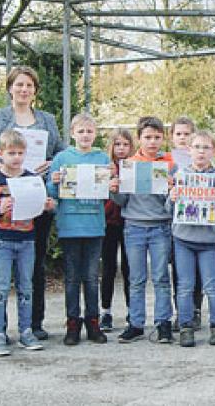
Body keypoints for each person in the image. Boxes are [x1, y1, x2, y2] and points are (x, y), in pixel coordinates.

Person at [0, 66, 65, 340]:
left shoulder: (47, 120)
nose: (24, 89)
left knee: (35, 265)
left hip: (36, 199)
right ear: (10, 88)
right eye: (19, 84)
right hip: (5, 202)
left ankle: (33, 324)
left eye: (29, 85)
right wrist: (7, 169)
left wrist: (52, 164)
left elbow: (60, 153)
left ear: (35, 90)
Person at [0, 130, 56, 356]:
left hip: (26, 240)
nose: (16, 157)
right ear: (0, 154)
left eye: (20, 153)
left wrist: (47, 206)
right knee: (1, 288)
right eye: (11, 153)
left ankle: (26, 330)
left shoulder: (32, 178)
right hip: (2, 241)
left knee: (26, 287)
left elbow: (39, 210)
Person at [110, 116, 175, 345]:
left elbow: (172, 203)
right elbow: (122, 201)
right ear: (139, 139)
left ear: (163, 139)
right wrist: (114, 189)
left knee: (161, 277)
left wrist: (171, 190)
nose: (152, 142)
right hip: (134, 227)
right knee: (136, 278)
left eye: (157, 137)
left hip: (160, 226)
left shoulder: (169, 163)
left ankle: (163, 323)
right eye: (148, 137)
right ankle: (136, 323)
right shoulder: (129, 164)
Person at [47, 113, 109, 346]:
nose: (85, 135)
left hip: (94, 225)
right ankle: (72, 322)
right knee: (72, 278)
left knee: (92, 278)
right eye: (81, 131)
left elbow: (108, 193)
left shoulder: (102, 158)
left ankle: (93, 321)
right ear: (72, 133)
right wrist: (53, 181)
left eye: (89, 131)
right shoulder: (62, 158)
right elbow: (52, 194)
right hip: (70, 225)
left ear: (95, 134)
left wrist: (111, 182)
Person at [168, 130, 215, 348]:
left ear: (213, 151)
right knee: (185, 286)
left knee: (211, 285)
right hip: (183, 238)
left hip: (208, 241)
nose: (201, 152)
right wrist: (172, 198)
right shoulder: (179, 175)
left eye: (206, 147)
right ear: (189, 150)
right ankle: (186, 327)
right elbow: (169, 210)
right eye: (197, 147)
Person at [165, 115, 203, 331]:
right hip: (174, 223)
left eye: (187, 134)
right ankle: (181, 311)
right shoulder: (167, 160)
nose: (183, 137)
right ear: (171, 136)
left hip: (199, 222)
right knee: (178, 270)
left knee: (197, 269)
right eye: (178, 134)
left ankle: (196, 309)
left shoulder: (201, 155)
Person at [100, 128, 133, 332]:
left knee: (130, 269)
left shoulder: (135, 166)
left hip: (130, 222)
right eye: (117, 144)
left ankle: (132, 311)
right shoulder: (104, 167)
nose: (121, 148)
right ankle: (106, 311)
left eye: (125, 144)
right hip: (108, 223)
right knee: (108, 268)